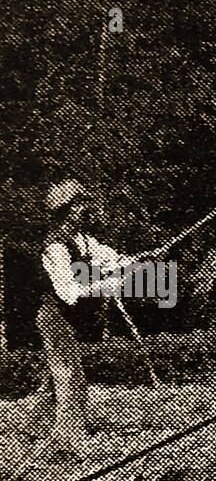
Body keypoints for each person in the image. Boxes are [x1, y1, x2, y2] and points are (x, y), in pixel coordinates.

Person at [32, 181, 124, 457]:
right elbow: (70, 293)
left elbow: (110, 258)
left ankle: (33, 426)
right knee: (71, 376)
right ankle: (69, 438)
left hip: (65, 319)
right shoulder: (55, 248)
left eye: (85, 202)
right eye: (79, 204)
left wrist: (135, 262)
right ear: (65, 211)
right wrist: (105, 287)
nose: (86, 208)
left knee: (59, 374)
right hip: (52, 316)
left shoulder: (84, 240)